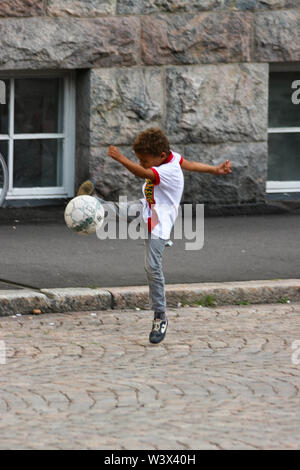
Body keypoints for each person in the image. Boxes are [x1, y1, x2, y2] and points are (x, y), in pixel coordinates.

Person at [77, 128, 232, 344]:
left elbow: (143, 174)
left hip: (159, 224)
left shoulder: (167, 171)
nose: (141, 162)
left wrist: (121, 158)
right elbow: (190, 164)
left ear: (160, 157)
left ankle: (160, 316)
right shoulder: (171, 157)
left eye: (144, 159)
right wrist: (214, 170)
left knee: (152, 267)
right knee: (117, 210)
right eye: (139, 159)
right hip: (146, 208)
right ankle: (91, 203)